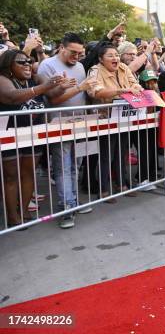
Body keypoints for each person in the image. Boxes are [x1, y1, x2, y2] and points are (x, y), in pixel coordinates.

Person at [37, 33, 98, 228]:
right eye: (73, 52)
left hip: (80, 123)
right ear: (61, 48)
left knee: (75, 165)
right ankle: (65, 207)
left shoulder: (80, 66)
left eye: (81, 53)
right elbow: (53, 100)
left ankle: (72, 200)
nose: (78, 57)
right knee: (63, 166)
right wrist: (80, 87)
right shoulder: (47, 66)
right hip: (59, 124)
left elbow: (82, 93)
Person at [0, 49, 65, 228]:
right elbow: (11, 97)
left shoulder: (34, 78)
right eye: (21, 62)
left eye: (29, 61)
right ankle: (12, 216)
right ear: (9, 66)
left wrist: (64, 85)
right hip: (9, 135)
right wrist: (45, 87)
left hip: (33, 134)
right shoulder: (3, 79)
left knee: (29, 173)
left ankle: (24, 210)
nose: (28, 64)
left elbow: (53, 92)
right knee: (11, 176)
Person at [87, 45, 143, 203]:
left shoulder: (124, 68)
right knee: (106, 155)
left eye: (117, 55)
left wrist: (135, 87)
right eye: (110, 56)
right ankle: (103, 190)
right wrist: (122, 91)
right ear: (100, 59)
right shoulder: (95, 70)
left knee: (121, 152)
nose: (115, 58)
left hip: (124, 116)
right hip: (105, 118)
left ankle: (122, 185)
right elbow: (96, 92)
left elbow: (135, 84)